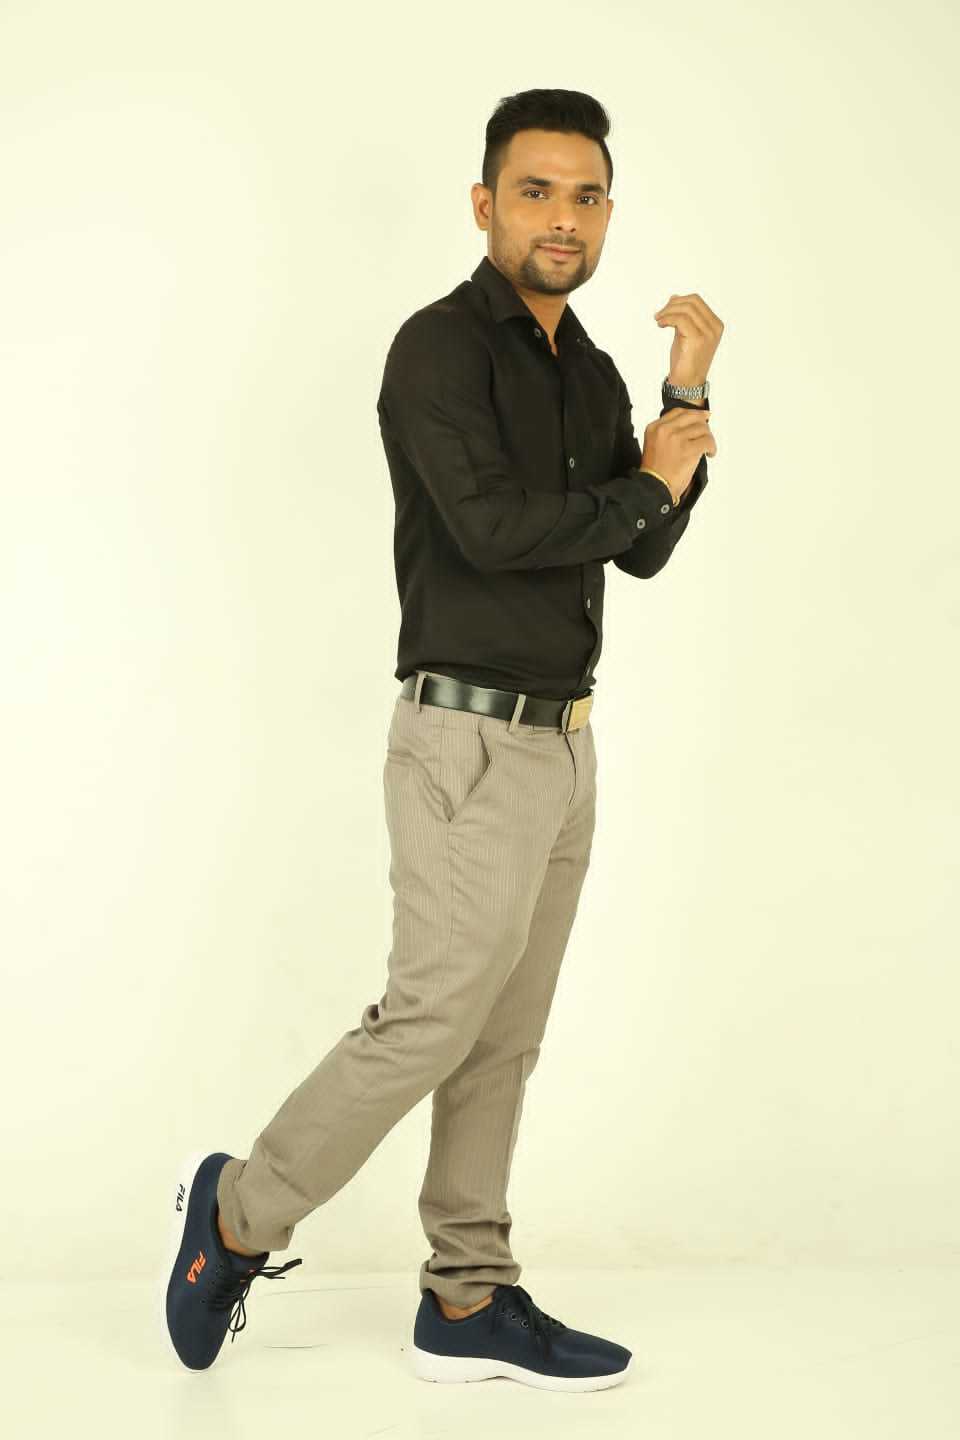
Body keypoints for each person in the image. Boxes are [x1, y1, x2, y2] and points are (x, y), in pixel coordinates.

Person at [164, 85, 722, 1391]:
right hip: (464, 740)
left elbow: (638, 548)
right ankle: (240, 1210)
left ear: (607, 215)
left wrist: (683, 403)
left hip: (565, 748)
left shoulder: (591, 370)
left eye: (587, 195)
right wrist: (646, 480)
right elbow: (493, 532)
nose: (563, 217)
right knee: (429, 1018)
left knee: (503, 1036)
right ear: (485, 205)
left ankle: (467, 1296)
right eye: (536, 191)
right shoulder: (437, 350)